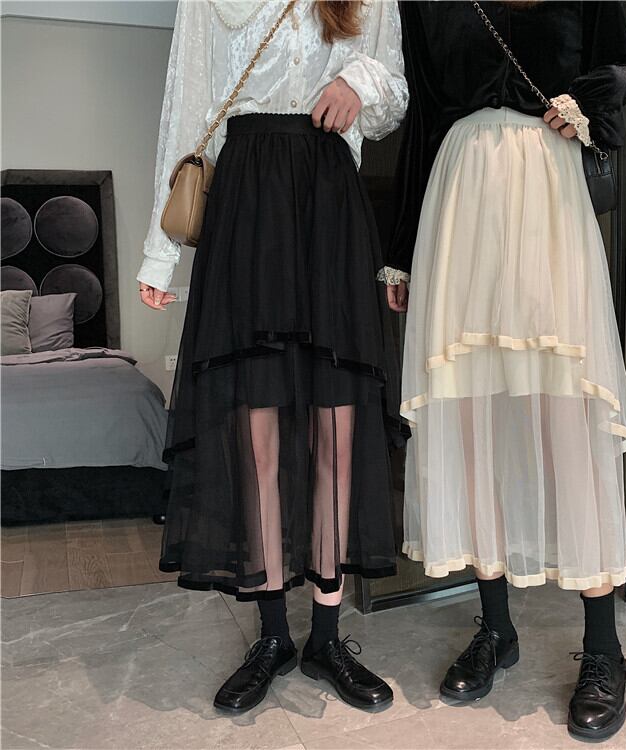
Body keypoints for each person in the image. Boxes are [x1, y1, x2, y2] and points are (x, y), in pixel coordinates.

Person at [137, 0, 408, 714]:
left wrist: (359, 83)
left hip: (329, 199)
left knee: (335, 430)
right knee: (256, 432)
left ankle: (327, 636)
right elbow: (186, 103)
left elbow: (393, 99)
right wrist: (160, 254)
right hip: (246, 201)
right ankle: (272, 636)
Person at [382, 1, 626, 741]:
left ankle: (603, 648)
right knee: (472, 417)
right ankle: (496, 628)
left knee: (566, 408)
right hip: (458, 198)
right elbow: (423, 120)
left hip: (547, 192)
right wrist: (400, 251)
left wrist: (583, 101)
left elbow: (622, 67)